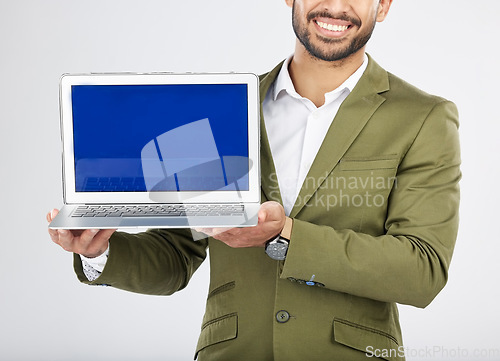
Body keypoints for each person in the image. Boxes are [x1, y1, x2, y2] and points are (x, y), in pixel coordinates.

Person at [47, 0, 461, 360]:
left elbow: (421, 269)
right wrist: (98, 251)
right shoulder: (219, 110)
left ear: (383, 5)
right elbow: (176, 255)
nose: (335, 7)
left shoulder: (422, 118)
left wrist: (286, 235)